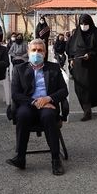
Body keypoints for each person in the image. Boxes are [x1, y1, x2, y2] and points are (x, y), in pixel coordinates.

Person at [7, 38, 68, 175]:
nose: (36, 53)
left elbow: (64, 90)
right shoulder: (19, 69)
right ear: (28, 52)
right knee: (22, 115)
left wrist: (48, 98)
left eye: (40, 50)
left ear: (45, 53)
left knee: (48, 116)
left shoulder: (54, 68)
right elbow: (15, 94)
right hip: (29, 103)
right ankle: (20, 157)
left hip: (47, 105)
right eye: (33, 50)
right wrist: (34, 102)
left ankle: (55, 159)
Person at [66, 14, 97, 121]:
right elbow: (70, 48)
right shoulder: (76, 33)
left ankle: (87, 110)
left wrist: (90, 54)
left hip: (92, 66)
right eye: (82, 24)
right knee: (79, 88)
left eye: (86, 24)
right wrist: (71, 59)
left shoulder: (96, 32)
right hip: (78, 66)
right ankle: (86, 108)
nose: (84, 26)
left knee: (89, 88)